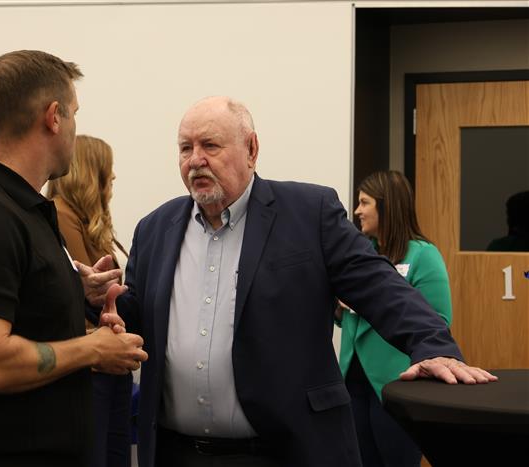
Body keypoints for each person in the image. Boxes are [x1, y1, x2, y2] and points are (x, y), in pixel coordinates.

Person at [78, 96, 496, 467]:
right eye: (185, 148)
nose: (195, 159)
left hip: (285, 451)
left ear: (252, 149)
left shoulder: (308, 213)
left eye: (210, 145)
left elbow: (381, 289)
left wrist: (433, 346)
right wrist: (101, 300)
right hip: (175, 453)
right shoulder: (156, 227)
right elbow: (139, 315)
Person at [0, 50, 147, 467]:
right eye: (74, 113)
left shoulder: (23, 209)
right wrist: (93, 349)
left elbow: (16, 301)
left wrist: (75, 290)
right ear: (53, 117)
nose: (75, 127)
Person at [337, 170, 451, 467]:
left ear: (387, 205)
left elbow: (438, 320)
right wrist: (339, 307)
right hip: (353, 381)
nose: (357, 211)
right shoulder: (363, 254)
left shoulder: (423, 255)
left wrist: (368, 306)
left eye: (365, 202)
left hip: (396, 383)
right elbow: (347, 316)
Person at [47, 135, 133, 467]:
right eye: (107, 170)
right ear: (89, 173)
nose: (113, 178)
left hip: (103, 365)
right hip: (89, 369)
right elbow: (87, 299)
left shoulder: (83, 221)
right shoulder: (62, 216)